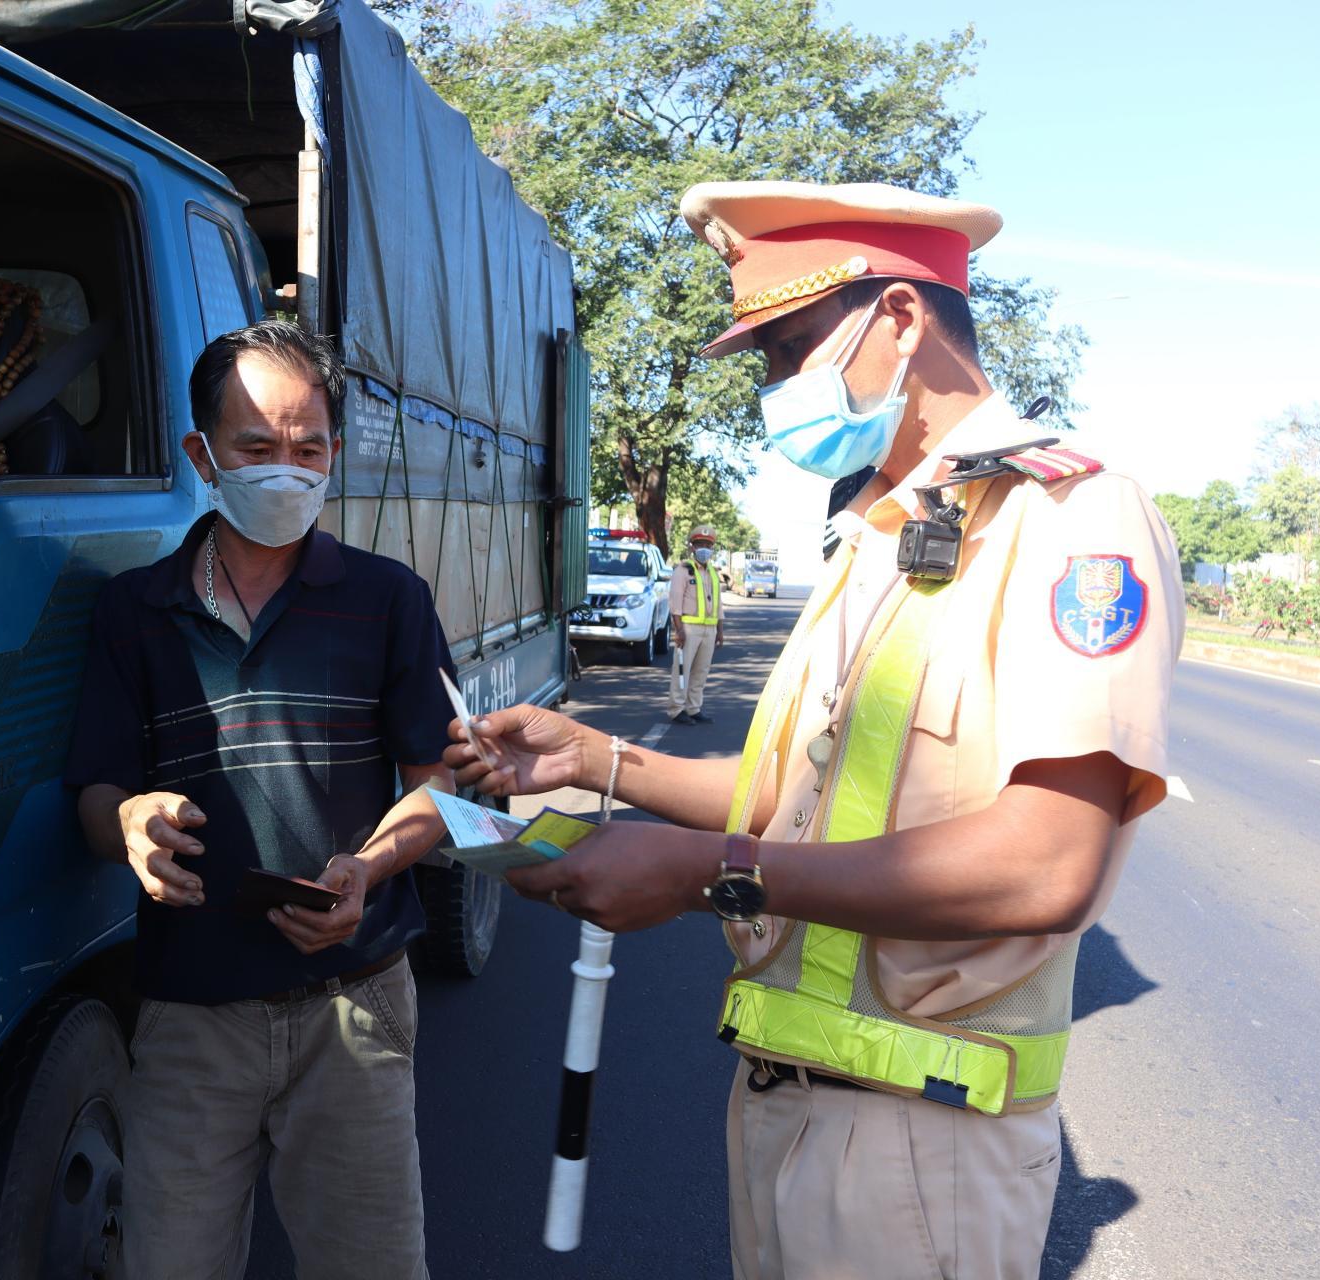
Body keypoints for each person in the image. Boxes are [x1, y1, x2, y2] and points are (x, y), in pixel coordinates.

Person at [446, 182, 1184, 1280]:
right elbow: (793, 800)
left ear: (899, 317)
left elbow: (1049, 863)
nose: (775, 390)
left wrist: (711, 874)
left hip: (922, 1144)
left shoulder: (1070, 516)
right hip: (785, 1102)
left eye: (789, 346)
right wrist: (596, 759)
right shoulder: (877, 535)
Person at [67, 319, 454, 1280]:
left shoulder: (389, 598)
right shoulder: (134, 611)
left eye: (308, 448)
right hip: (190, 1018)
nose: (286, 470)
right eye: (256, 448)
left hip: (353, 1010)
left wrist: (369, 867)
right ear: (202, 455)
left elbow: (441, 782)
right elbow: (95, 786)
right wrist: (128, 829)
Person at [668, 524, 726, 724]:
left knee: (701, 671)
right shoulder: (683, 570)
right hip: (689, 628)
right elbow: (675, 603)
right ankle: (677, 709)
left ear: (712, 549)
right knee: (683, 670)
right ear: (692, 547)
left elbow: (717, 604)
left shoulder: (712, 572)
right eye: (700, 544)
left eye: (708, 545)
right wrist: (679, 630)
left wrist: (720, 631)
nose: (704, 548)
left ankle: (694, 708)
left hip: (709, 630)